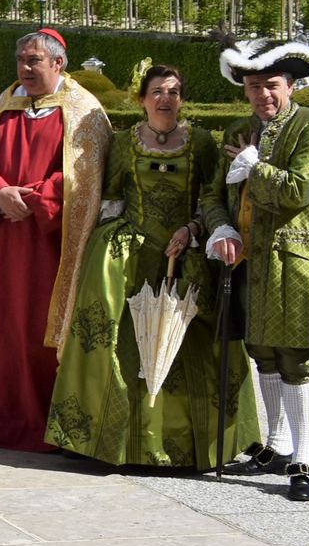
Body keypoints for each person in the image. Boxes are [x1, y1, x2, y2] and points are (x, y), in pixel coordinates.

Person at [45, 65, 259, 468]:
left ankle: (189, 449)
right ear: (142, 98)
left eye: (174, 92)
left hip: (185, 254)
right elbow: (111, 200)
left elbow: (211, 199)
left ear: (182, 99)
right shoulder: (124, 143)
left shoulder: (201, 142)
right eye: (157, 91)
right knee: (114, 341)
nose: (165, 99)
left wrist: (192, 229)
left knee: (190, 342)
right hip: (131, 256)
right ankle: (108, 442)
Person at [0, 29, 112, 452]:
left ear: (58, 63)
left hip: (52, 244)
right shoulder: (4, 106)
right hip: (5, 240)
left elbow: (85, 173)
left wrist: (36, 199)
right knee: (7, 329)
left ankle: (49, 429)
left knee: (46, 331)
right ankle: (4, 425)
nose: (24, 68)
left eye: (34, 60)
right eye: (21, 60)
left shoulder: (84, 111)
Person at [208, 40, 309, 501]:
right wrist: (221, 225)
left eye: (272, 85)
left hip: (292, 260)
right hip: (248, 259)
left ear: (291, 85)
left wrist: (254, 167)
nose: (263, 94)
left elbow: (299, 191)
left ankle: (305, 460)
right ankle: (279, 446)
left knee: (296, 357)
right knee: (261, 350)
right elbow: (213, 193)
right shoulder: (238, 129)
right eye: (254, 86)